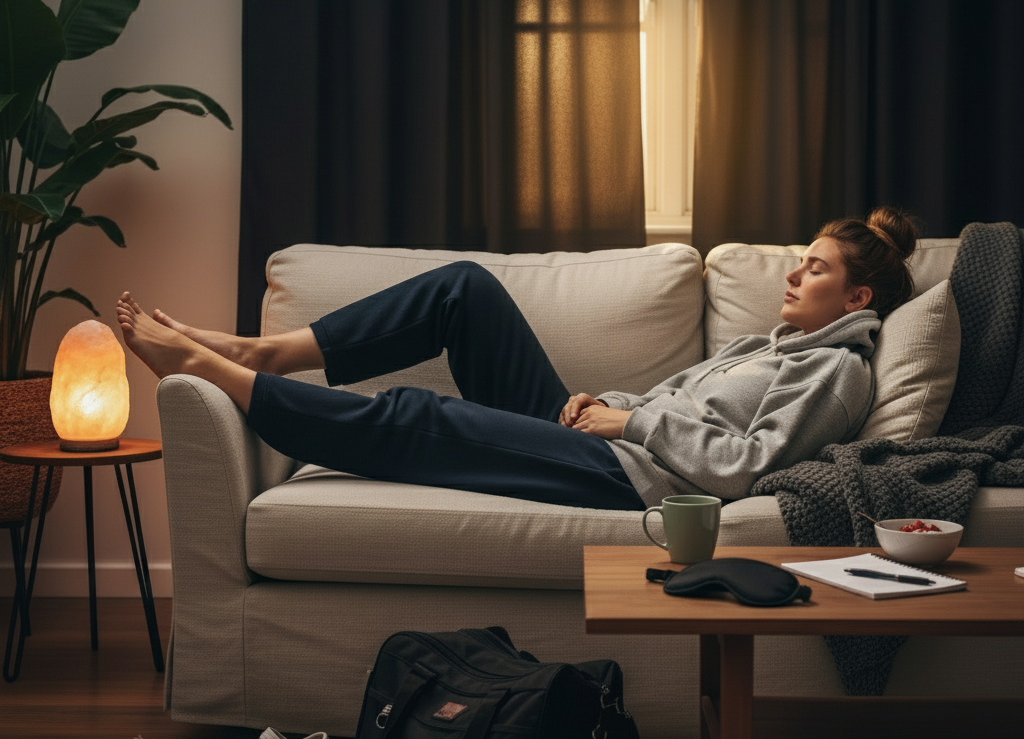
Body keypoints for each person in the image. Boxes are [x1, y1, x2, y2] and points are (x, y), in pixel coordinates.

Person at [116, 207, 917, 511]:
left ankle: (225, 375)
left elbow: (747, 467)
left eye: (815, 268)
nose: (793, 273)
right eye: (800, 260)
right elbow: (670, 401)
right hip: (607, 437)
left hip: (634, 478)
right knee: (462, 290)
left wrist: (626, 422)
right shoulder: (768, 345)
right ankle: (267, 351)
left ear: (858, 301)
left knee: (423, 415)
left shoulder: (836, 371)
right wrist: (600, 405)